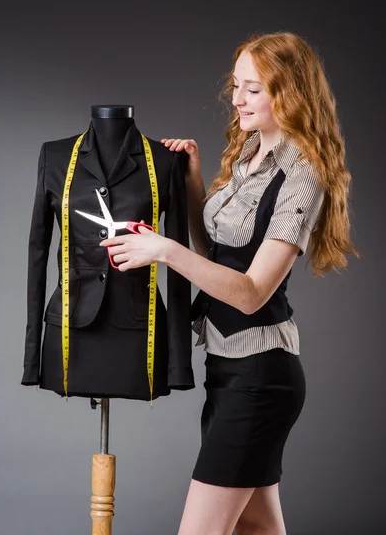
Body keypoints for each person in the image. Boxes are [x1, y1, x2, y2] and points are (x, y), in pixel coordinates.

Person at [99, 31, 359, 535]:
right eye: (236, 85)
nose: (236, 98)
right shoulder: (248, 154)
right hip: (229, 372)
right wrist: (195, 182)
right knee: (258, 530)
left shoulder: (303, 174)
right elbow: (214, 258)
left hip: (262, 379)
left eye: (253, 88)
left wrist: (162, 251)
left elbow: (251, 291)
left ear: (291, 93)